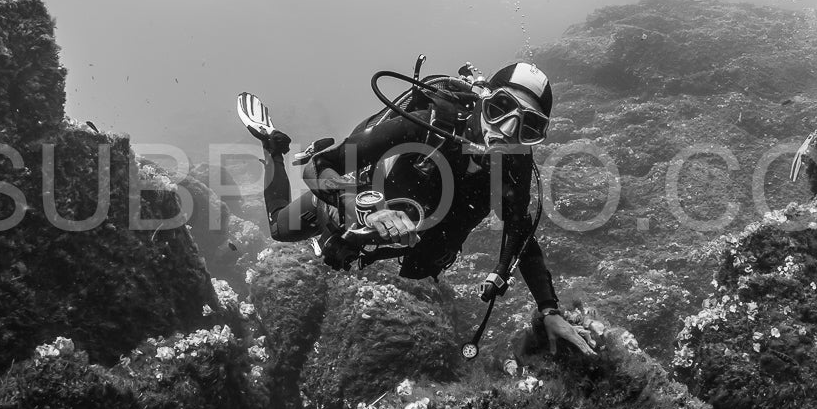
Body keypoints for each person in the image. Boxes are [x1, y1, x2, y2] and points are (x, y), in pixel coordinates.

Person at [238, 62, 598, 357]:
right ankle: (273, 147)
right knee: (280, 228)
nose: (505, 131)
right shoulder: (427, 124)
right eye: (500, 109)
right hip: (357, 202)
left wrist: (549, 309)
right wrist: (361, 208)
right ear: (484, 100)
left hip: (403, 241)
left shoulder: (513, 167)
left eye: (528, 127)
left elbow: (521, 237)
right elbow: (321, 166)